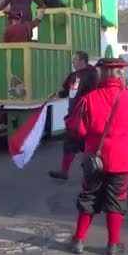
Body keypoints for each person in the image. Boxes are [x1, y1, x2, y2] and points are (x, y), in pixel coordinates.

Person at [66, 58, 128, 255]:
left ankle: (79, 240)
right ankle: (113, 244)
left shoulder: (90, 98)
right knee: (117, 199)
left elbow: (78, 128)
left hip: (95, 158)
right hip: (122, 159)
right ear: (121, 75)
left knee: (89, 196)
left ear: (102, 74)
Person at [48, 51, 99, 180]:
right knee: (70, 143)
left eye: (75, 59)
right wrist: (58, 95)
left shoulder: (91, 74)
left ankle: (93, 169)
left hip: (86, 116)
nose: (73, 62)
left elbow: (95, 94)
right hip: (74, 116)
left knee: (88, 144)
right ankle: (64, 171)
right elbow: (68, 91)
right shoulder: (74, 75)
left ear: (82, 60)